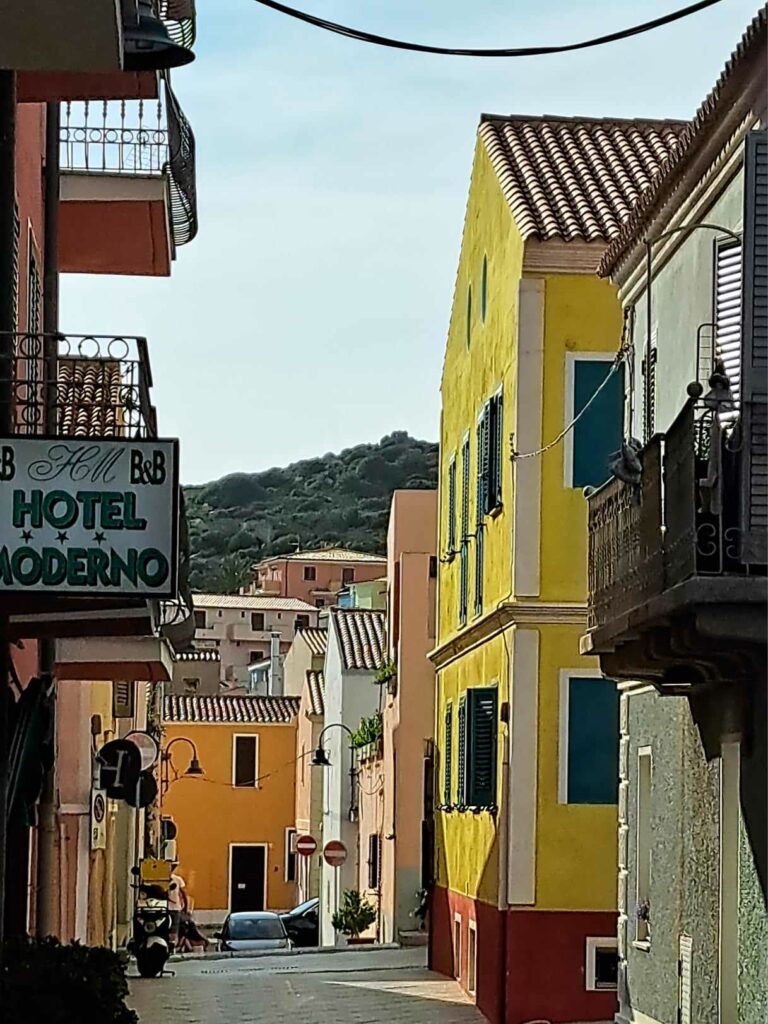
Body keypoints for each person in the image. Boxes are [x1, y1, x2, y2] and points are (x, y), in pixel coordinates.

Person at [167, 866, 188, 947]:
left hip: (175, 908)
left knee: (174, 929)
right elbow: (184, 894)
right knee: (173, 929)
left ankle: (173, 946)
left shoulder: (177, 879)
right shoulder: (160, 879)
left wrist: (185, 907)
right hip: (168, 908)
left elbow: (184, 894)